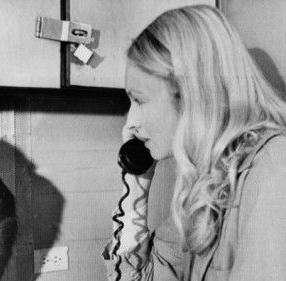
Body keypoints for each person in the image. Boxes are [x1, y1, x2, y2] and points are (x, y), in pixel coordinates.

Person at [103, 4, 286, 281]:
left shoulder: (273, 172)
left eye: (139, 100)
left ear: (190, 93)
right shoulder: (207, 185)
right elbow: (139, 278)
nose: (131, 122)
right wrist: (137, 181)